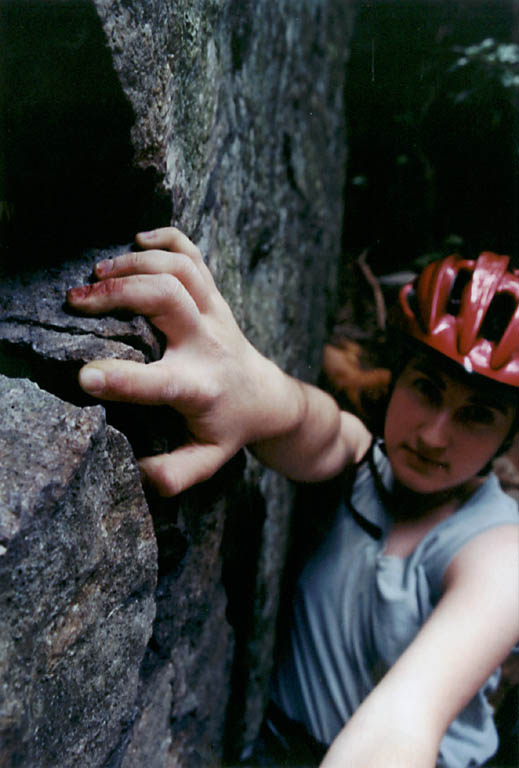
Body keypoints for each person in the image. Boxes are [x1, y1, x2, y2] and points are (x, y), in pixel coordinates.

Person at [67, 228, 519, 768]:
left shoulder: (501, 552)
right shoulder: (365, 464)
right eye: (426, 388)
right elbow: (313, 423)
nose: (433, 435)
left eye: (477, 416)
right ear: (395, 378)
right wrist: (247, 384)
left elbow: (410, 716)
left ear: (509, 439)